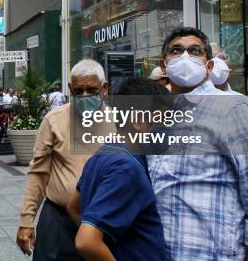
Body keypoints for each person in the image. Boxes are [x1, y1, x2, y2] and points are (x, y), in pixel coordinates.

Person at [150, 27, 248, 260]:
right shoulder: (162, 119)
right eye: (177, 50)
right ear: (164, 65)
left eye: (195, 51)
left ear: (209, 65)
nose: (186, 57)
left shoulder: (237, 109)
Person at [17, 59, 111, 261]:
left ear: (104, 88)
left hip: (104, 220)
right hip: (59, 220)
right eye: (78, 91)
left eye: (91, 91)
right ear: (70, 89)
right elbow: (38, 173)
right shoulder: (54, 120)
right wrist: (26, 220)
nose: (84, 96)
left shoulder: (119, 122)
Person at [67, 77, 168, 261]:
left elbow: (74, 207)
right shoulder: (127, 169)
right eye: (163, 122)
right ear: (138, 121)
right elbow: (86, 241)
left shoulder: (105, 153)